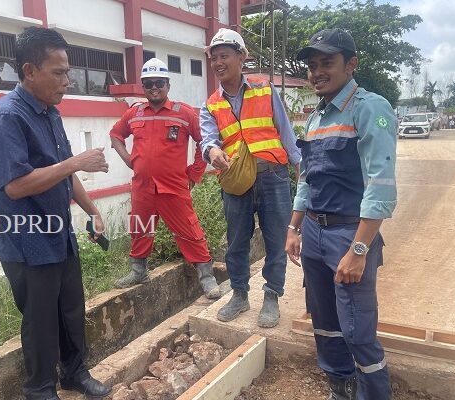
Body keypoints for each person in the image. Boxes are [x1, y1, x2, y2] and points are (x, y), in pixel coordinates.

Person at [0, 27, 111, 400]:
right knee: (40, 320)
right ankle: (40, 389)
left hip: (58, 233)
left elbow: (62, 171)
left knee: (70, 309)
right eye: (58, 73)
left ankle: (74, 374)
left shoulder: (49, 112)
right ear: (30, 70)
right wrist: (75, 162)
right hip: (26, 239)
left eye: (68, 72)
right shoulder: (4, 118)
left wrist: (93, 210)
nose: (67, 81)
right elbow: (16, 186)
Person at [286, 28, 397, 400]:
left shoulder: (369, 108)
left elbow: (381, 186)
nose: (317, 72)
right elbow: (307, 178)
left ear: (351, 64)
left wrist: (359, 251)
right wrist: (293, 227)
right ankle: (341, 388)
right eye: (312, 66)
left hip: (349, 234)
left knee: (357, 331)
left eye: (327, 63)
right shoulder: (316, 117)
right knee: (325, 324)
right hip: (314, 233)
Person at [200, 28, 301, 328]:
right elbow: (207, 140)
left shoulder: (264, 88)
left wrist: (300, 168)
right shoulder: (211, 105)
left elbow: (285, 130)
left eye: (224, 56)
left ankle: (271, 296)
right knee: (236, 242)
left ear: (242, 57)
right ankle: (239, 294)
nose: (218, 63)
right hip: (235, 180)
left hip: (273, 176)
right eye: (214, 58)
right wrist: (212, 151)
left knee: (276, 239)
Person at [109, 58, 221, 299]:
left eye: (159, 83)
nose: (154, 88)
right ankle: (138, 271)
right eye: (148, 84)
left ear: (168, 85)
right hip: (142, 187)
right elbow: (116, 135)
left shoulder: (184, 113)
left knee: (190, 230)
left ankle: (207, 277)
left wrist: (195, 172)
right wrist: (129, 160)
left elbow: (204, 141)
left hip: (174, 187)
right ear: (143, 87)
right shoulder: (134, 113)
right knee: (140, 228)